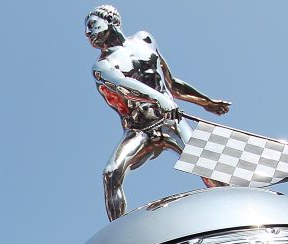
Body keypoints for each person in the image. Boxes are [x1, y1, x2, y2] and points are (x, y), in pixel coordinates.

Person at [85, 5, 231, 220]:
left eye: (92, 25)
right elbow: (123, 84)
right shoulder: (102, 66)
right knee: (111, 173)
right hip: (139, 130)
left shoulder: (145, 40)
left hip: (170, 122)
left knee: (204, 164)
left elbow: (171, 84)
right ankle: (119, 233)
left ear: (111, 21)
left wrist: (206, 102)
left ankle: (233, 207)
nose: (88, 33)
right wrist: (160, 99)